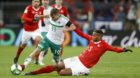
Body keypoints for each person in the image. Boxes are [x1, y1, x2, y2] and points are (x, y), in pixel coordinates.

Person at [24, 29, 133, 76]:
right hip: (77, 59)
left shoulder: (104, 45)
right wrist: (74, 28)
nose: (93, 36)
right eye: (93, 34)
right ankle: (33, 73)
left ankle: (85, 73)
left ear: (99, 36)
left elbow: (115, 49)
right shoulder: (91, 39)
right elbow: (81, 34)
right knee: (56, 66)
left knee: (61, 73)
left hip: (83, 66)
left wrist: (123, 49)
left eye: (95, 35)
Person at [13, 0, 44, 64]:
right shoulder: (28, 8)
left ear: (39, 2)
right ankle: (17, 55)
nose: (36, 3)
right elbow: (23, 17)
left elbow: (42, 16)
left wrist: (43, 21)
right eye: (35, 1)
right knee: (23, 45)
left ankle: (36, 58)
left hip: (36, 30)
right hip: (27, 31)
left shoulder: (41, 9)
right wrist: (32, 20)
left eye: (37, 1)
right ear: (32, 2)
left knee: (39, 40)